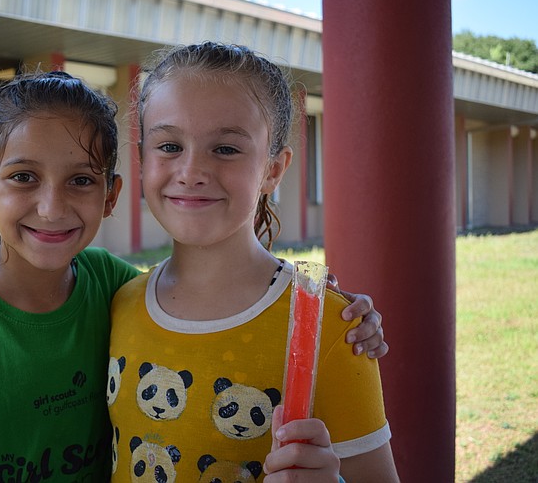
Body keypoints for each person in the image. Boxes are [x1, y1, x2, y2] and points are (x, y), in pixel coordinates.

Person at [0, 70, 387, 482]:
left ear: (111, 194)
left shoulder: (115, 291)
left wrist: (347, 318)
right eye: (23, 177)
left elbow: (211, 298)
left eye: (80, 180)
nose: (51, 208)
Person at [107, 42, 400, 482]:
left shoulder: (334, 330)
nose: (191, 171)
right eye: (169, 145)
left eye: (225, 149)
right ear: (142, 158)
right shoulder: (118, 304)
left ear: (273, 170)